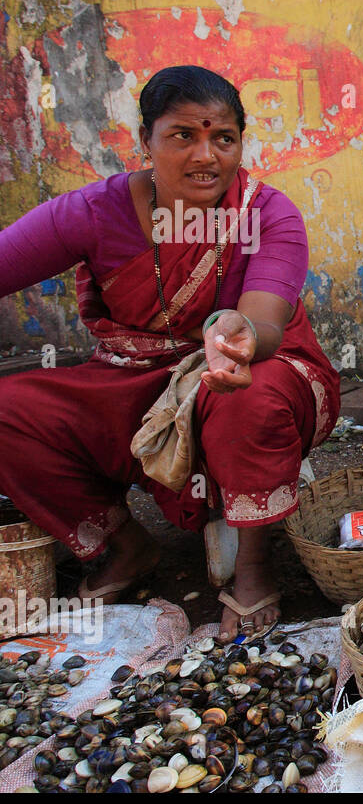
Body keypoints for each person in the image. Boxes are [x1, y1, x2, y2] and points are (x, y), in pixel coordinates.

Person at [0, 66, 340, 642]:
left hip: (247, 373)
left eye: (223, 138)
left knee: (248, 394)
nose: (207, 155)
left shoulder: (267, 214)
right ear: (146, 142)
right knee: (10, 410)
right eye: (183, 135)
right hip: (131, 381)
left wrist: (239, 338)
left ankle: (254, 566)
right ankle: (126, 546)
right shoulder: (93, 212)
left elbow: (266, 319)